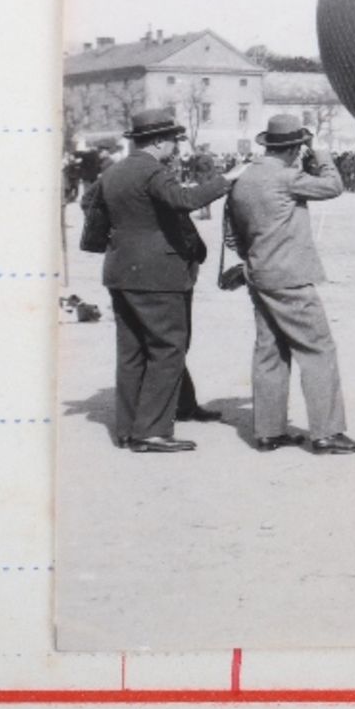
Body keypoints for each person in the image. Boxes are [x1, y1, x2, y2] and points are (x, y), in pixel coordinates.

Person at [80, 107, 230, 453]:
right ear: (160, 141)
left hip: (119, 269)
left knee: (131, 351)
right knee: (167, 348)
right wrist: (227, 179)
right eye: (174, 141)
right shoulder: (153, 172)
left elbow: (89, 203)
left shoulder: (113, 171)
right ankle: (152, 432)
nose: (176, 147)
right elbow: (186, 200)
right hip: (158, 274)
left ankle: (129, 429)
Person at [223, 114, 355, 454]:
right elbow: (333, 186)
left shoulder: (244, 178)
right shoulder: (287, 177)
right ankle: (327, 433)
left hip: (259, 274)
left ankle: (269, 431)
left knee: (269, 351)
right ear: (294, 147)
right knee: (318, 350)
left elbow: (234, 233)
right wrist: (318, 153)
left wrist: (252, 260)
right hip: (290, 277)